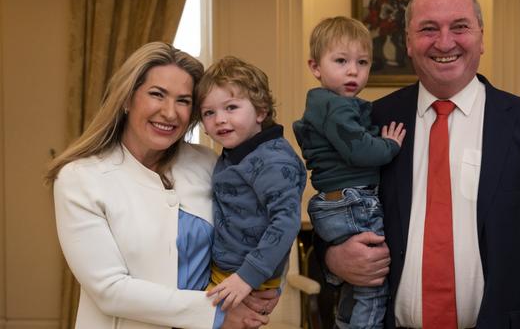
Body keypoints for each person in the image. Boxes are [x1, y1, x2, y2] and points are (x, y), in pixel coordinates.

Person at [323, 0, 520, 329]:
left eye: (460, 27)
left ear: (481, 37)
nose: (445, 42)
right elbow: (335, 205)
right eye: (428, 29)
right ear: (408, 43)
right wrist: (333, 259)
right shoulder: (370, 123)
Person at [45, 42, 278, 329]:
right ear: (127, 99)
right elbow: (110, 290)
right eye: (157, 94)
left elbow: (259, 225)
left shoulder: (209, 164)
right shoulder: (80, 178)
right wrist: (217, 314)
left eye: (183, 100)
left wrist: (264, 289)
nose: (170, 113)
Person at [293, 16, 406, 329]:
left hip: (332, 201)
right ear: (315, 67)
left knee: (354, 285)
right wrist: (390, 146)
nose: (353, 71)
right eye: (341, 61)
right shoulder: (338, 106)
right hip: (353, 200)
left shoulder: (320, 104)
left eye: (362, 62)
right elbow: (359, 150)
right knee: (373, 285)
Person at [198, 56, 307, 312]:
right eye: (209, 112)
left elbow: (286, 221)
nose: (220, 119)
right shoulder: (236, 152)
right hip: (225, 269)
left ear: (260, 111)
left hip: (246, 276)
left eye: (231, 107)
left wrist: (248, 277)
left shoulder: (273, 160)